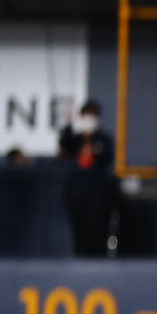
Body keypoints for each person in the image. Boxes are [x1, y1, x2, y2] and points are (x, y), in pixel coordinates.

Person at [58, 100, 116, 258]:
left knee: (98, 229)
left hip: (97, 194)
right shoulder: (74, 139)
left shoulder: (104, 140)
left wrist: (95, 151)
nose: (89, 121)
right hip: (76, 193)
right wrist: (67, 125)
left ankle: (99, 258)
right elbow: (63, 149)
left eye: (93, 117)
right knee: (78, 230)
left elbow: (109, 158)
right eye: (86, 117)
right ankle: (78, 256)